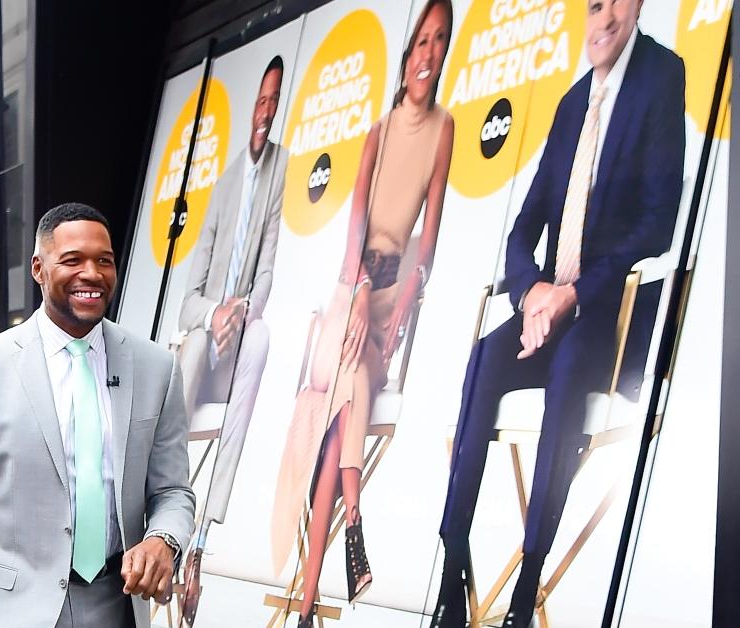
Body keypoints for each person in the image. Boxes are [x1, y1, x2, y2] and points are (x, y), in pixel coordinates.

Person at [432, 1, 685, 626]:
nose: (603, 19)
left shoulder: (661, 77)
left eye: (615, 3)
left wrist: (573, 293)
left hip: (605, 312)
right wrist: (532, 294)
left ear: (639, 5)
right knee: (483, 362)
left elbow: (659, 225)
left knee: (569, 375)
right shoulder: (573, 103)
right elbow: (525, 226)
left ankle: (527, 586)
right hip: (546, 309)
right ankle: (451, 567)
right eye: (592, 4)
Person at [268, 3, 455, 624]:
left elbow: (428, 234)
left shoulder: (445, 128)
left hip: (391, 295)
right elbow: (353, 227)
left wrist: (403, 301)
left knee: (343, 413)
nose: (428, 53)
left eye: (440, 42)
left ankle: (307, 602)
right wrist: (352, 298)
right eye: (420, 41)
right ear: (406, 57)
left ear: (444, 53)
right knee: (350, 382)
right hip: (352, 286)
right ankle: (355, 527)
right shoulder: (377, 130)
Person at [0, 203, 194, 628]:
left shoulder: (156, 368)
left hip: (118, 606)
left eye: (103, 261)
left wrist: (163, 539)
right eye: (72, 260)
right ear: (38, 268)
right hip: (10, 615)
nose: (91, 273)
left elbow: (173, 492)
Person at [178, 55, 288, 623]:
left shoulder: (280, 169)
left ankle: (201, 536)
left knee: (264, 336)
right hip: (205, 347)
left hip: (240, 339)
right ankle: (165, 494)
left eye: (276, 100)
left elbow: (267, 269)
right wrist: (214, 313)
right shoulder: (223, 188)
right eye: (261, 101)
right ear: (252, 109)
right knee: (193, 341)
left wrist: (243, 311)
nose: (266, 111)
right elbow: (187, 299)